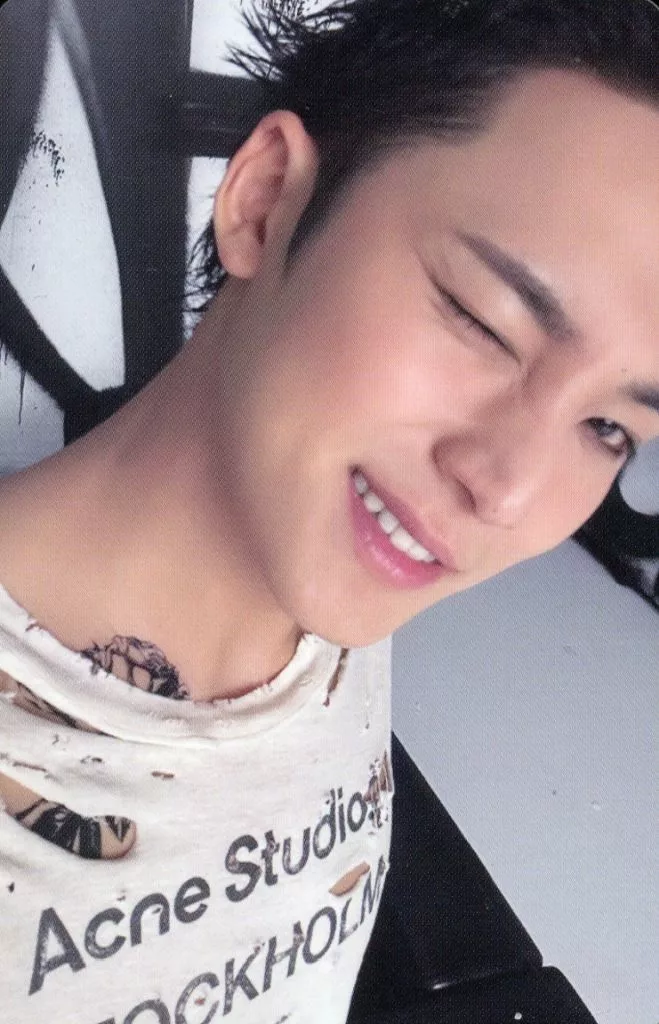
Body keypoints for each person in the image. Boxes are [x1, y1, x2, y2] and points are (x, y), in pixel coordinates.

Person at [0, 0, 657, 1020]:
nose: (506, 488)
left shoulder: (334, 571)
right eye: (481, 321)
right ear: (265, 201)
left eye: (606, 428)